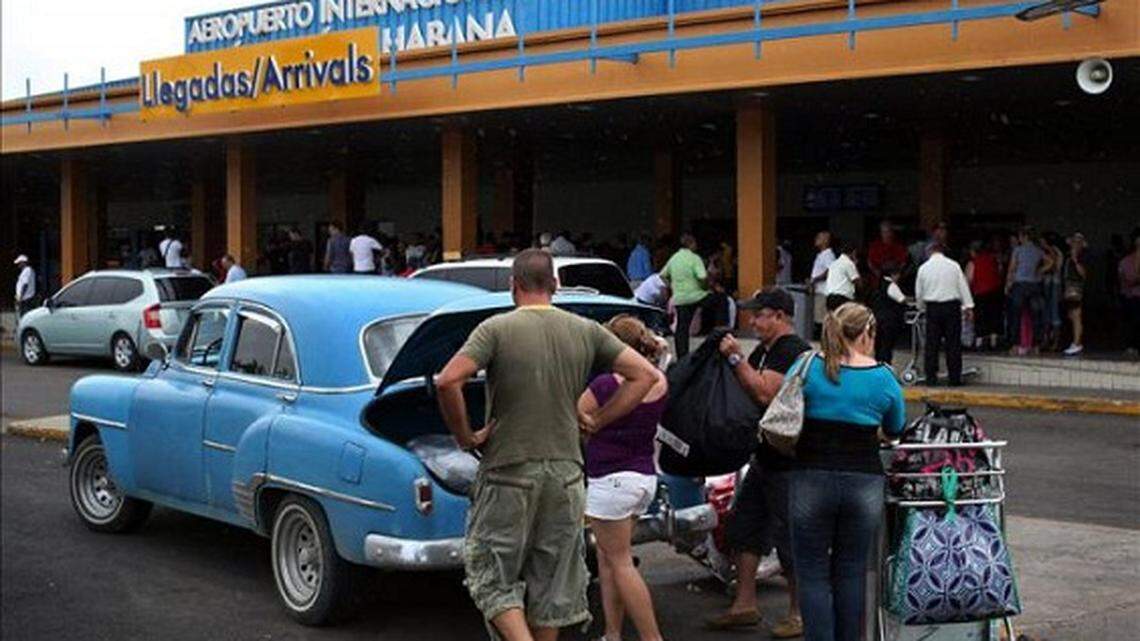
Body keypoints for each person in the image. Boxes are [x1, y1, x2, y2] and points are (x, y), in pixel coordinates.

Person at [435, 249, 658, 641]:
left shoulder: (495, 329)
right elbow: (645, 375)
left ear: (513, 286)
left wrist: (465, 437)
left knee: (492, 577)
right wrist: (597, 421)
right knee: (551, 582)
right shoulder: (586, 330)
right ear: (556, 285)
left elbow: (448, 381)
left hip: (508, 470)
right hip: (567, 475)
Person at [788, 303, 906, 641]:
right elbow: (895, 428)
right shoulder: (883, 377)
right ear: (867, 332)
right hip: (863, 481)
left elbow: (784, 408)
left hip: (810, 476)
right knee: (851, 571)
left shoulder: (807, 365)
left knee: (812, 572)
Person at [708, 288, 811, 638]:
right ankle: (744, 604)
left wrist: (736, 358)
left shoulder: (791, 350)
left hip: (789, 463)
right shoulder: (765, 350)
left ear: (779, 316)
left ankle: (799, 613)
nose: (752, 321)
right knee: (744, 527)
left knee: (790, 538)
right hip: (764, 458)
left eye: (759, 314)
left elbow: (766, 392)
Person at [578, 315, 668, 641]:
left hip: (610, 479)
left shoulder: (604, 386)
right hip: (643, 476)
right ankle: (612, 633)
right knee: (608, 558)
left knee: (620, 562)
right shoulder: (658, 381)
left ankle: (652, 638)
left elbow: (575, 416)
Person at [916, 243, 974, 386]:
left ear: (930, 252)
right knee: (953, 343)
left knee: (931, 344)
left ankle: (931, 378)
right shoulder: (953, 266)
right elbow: (962, 286)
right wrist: (968, 306)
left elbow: (919, 291)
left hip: (933, 308)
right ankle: (954, 378)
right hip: (951, 307)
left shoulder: (924, 268)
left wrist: (920, 307)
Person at [660, 234, 709, 359]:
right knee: (720, 301)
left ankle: (682, 357)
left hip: (680, 298)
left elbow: (662, 275)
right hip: (697, 296)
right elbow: (702, 277)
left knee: (682, 327)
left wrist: (672, 286)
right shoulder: (695, 258)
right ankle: (721, 332)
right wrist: (704, 287)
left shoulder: (674, 258)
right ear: (691, 244)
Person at [1005, 227, 1048, 354]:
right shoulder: (1038, 251)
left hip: (1019, 284)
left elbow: (1012, 268)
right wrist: (1040, 271)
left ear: (1024, 236)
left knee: (1015, 315)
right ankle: (1036, 345)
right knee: (1036, 316)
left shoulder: (1018, 250)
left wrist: (1008, 284)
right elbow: (1050, 261)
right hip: (1034, 284)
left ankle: (1015, 345)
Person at [965, 240, 1003, 351]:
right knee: (994, 317)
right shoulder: (994, 259)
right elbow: (1000, 272)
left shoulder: (973, 263)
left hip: (981, 292)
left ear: (973, 251)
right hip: (995, 292)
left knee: (981, 317)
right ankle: (994, 342)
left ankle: (980, 342)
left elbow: (968, 279)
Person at [871, 262, 906, 365]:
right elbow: (901, 299)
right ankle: (886, 365)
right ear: (893, 274)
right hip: (889, 320)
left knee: (879, 346)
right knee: (887, 346)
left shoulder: (879, 284)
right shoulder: (891, 286)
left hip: (878, 318)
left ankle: (878, 364)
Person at [1062, 233, 1088, 356]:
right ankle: (1074, 340)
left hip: (1076, 287)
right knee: (1071, 315)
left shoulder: (1082, 257)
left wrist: (1076, 260)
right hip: (1069, 287)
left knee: (1076, 315)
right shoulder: (1068, 257)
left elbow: (1083, 274)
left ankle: (1077, 342)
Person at [1039, 232, 1066, 351]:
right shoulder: (1043, 252)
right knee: (1045, 312)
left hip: (1055, 283)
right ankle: (1045, 339)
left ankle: (1056, 341)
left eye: (1042, 242)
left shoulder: (1057, 252)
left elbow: (1056, 267)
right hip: (1046, 283)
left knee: (1054, 312)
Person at [1119, 228, 1140, 359]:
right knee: (1134, 322)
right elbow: (1129, 280)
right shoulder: (1126, 261)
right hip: (1133, 296)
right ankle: (1132, 347)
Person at [866, 220, 908, 286]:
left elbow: (904, 262)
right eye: (884, 232)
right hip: (879, 278)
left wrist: (898, 273)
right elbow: (870, 262)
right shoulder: (875, 246)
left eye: (888, 231)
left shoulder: (899, 246)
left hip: (895, 276)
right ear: (881, 233)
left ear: (892, 232)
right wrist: (877, 273)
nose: (887, 234)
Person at [824, 242, 860, 311]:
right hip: (842, 298)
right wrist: (855, 265)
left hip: (830, 297)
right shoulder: (848, 263)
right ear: (853, 252)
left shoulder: (833, 264)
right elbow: (858, 282)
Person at [13, 255, 36, 319]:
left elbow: (25, 284)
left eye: (19, 263)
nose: (18, 265)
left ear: (23, 262)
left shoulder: (27, 271)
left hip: (26, 299)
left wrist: (20, 297)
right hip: (25, 298)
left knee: (24, 317)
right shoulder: (27, 271)